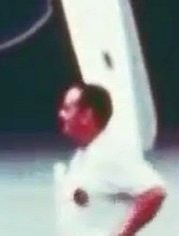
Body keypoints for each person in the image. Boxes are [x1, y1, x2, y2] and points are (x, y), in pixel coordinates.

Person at [54, 82, 167, 236]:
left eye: (67, 108)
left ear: (87, 115)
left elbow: (154, 192)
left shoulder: (110, 153)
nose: (61, 114)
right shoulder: (83, 155)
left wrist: (122, 234)